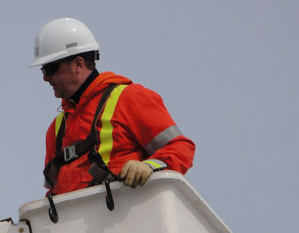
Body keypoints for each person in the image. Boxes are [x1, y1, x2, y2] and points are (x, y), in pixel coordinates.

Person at [30, 17, 195, 195]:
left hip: (124, 216)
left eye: (50, 69)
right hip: (75, 220)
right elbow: (54, 194)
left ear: (78, 64)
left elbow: (180, 148)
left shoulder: (129, 98)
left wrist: (148, 166)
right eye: (43, 70)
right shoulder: (55, 130)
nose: (45, 78)